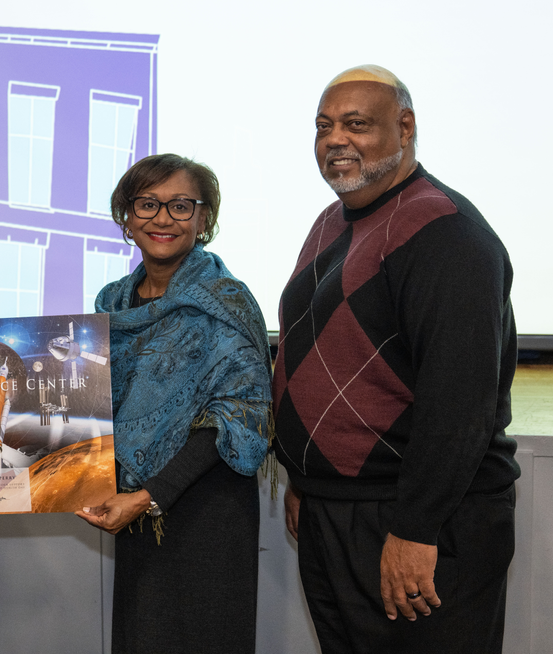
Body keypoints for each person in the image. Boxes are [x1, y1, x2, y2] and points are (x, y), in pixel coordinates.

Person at [273, 65, 520, 653]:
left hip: (413, 519)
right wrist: (305, 480)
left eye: (356, 124)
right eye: (324, 126)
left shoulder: (447, 233)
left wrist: (415, 527)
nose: (336, 139)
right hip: (336, 510)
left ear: (405, 128)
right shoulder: (332, 221)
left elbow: (460, 404)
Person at [76, 154, 272, 654]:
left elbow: (239, 416)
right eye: (147, 204)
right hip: (132, 507)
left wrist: (150, 496)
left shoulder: (227, 300)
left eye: (181, 206)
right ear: (126, 218)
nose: (162, 219)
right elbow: (89, 406)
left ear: (204, 218)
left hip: (207, 512)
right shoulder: (110, 305)